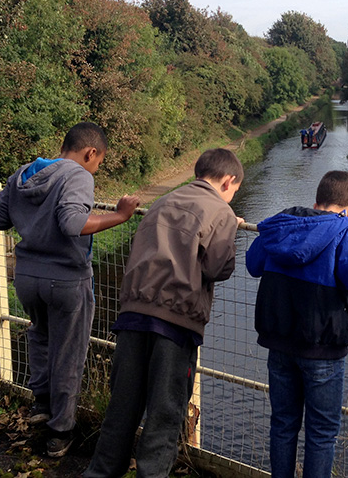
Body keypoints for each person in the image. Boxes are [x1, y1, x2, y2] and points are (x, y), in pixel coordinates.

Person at [84, 148, 244, 478]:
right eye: (234, 191)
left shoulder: (163, 201)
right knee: (164, 413)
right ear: (228, 181)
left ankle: (99, 474)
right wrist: (231, 230)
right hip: (175, 323)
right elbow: (217, 267)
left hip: (132, 314)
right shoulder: (221, 212)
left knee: (122, 407)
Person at [0, 122, 140, 457]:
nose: (96, 168)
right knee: (69, 354)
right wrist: (119, 216)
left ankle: (40, 404)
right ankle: (60, 432)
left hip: (27, 278)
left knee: (40, 336)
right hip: (67, 280)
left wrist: (31, 220)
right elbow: (73, 223)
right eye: (98, 161)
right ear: (90, 153)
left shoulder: (25, 172)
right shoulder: (78, 176)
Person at [245, 170, 348, 477]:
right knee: (321, 433)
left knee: (283, 424)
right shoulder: (347, 232)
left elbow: (253, 265)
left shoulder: (282, 224)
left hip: (279, 344)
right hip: (323, 351)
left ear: (317, 202)